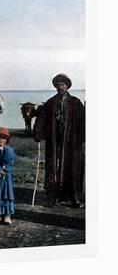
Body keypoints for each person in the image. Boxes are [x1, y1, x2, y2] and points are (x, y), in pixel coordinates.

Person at [33, 73, 85, 208]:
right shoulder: (50, 103)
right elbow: (42, 118)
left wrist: (83, 137)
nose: (60, 87)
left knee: (72, 167)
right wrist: (38, 133)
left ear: (67, 86)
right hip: (54, 141)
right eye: (58, 85)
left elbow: (83, 121)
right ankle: (52, 197)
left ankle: (74, 197)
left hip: (72, 142)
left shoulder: (76, 103)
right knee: (52, 168)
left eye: (62, 85)